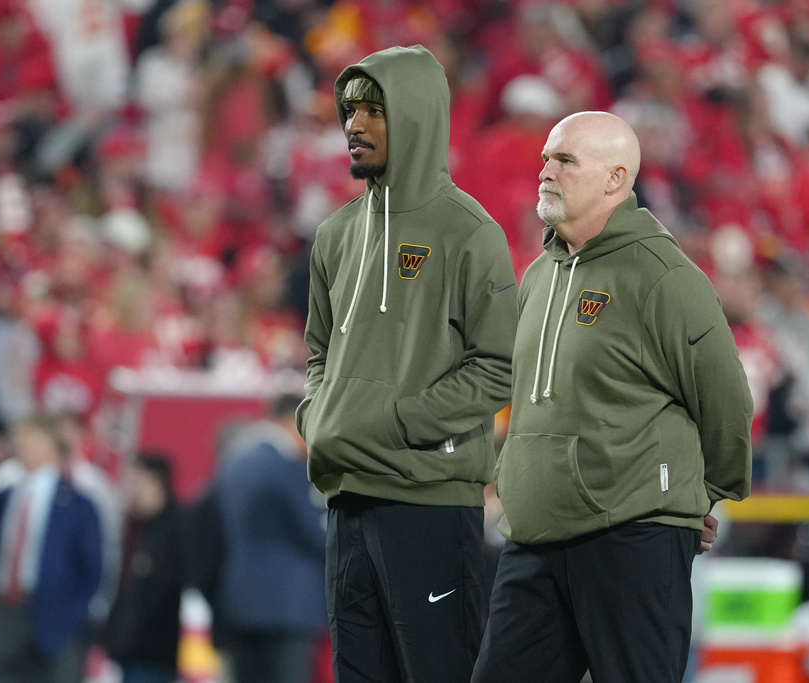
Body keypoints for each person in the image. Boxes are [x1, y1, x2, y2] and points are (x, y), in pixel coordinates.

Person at [471, 111, 752, 683]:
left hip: (631, 534)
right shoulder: (537, 276)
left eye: (565, 160)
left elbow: (726, 399)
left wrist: (703, 496)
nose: (545, 171)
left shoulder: (663, 276)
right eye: (546, 158)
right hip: (533, 539)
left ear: (615, 179)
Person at [297, 45, 518, 682]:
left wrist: (397, 422)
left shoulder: (468, 231)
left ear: (417, 117)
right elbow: (318, 354)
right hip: (348, 500)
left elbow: (499, 364)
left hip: (429, 499)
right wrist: (324, 417)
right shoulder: (335, 234)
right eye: (348, 111)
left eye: (373, 110)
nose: (353, 126)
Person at [0, 414, 103, 683]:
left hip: (55, 618)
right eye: (18, 438)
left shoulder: (78, 504)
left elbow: (92, 568)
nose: (21, 445)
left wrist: (73, 613)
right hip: (7, 613)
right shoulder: (1, 499)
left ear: (51, 444)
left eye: (29, 437)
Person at [213, 393, 326, 683]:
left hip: (241, 602)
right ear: (294, 420)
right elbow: (316, 531)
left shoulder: (234, 462)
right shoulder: (287, 465)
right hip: (289, 606)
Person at [105, 453, 186, 683]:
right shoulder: (133, 529)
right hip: (127, 649)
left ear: (156, 483)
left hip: (156, 651)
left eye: (136, 482)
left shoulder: (178, 530)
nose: (131, 490)